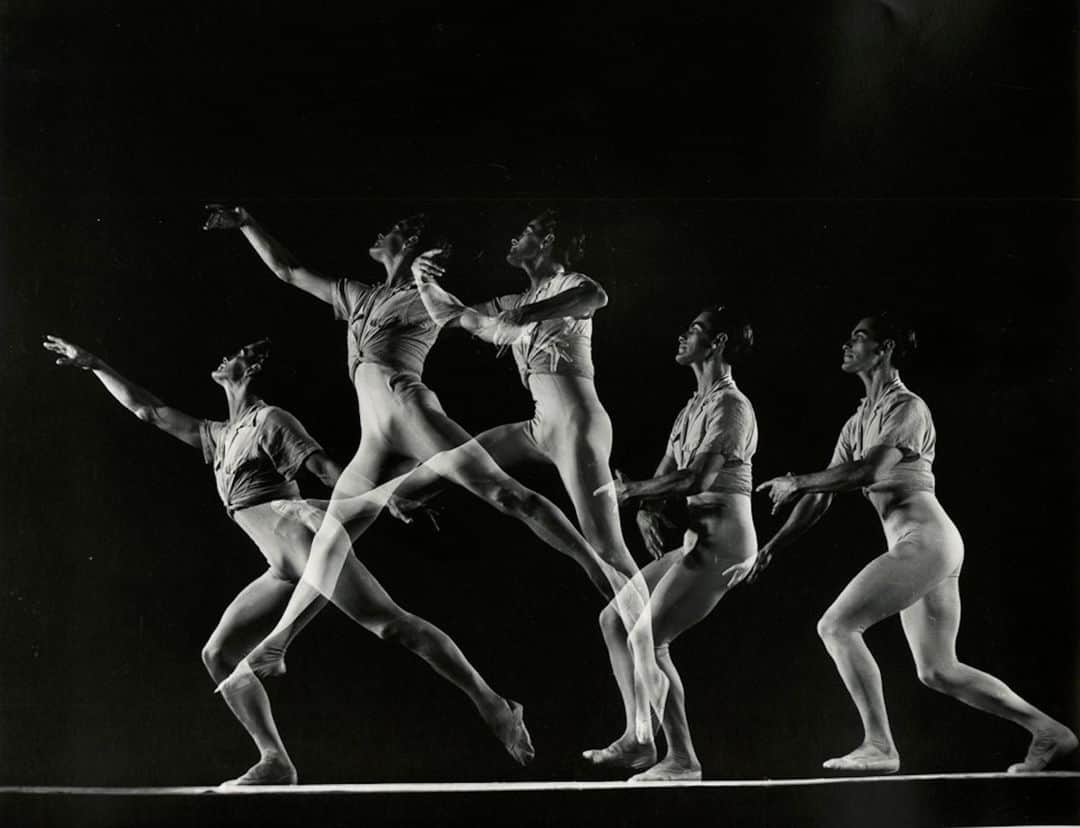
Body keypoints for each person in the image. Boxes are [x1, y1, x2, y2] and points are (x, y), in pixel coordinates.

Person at [201, 207, 651, 725]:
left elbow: (458, 315)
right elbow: (288, 272)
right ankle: (279, 643)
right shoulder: (358, 296)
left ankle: (600, 571)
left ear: (410, 238)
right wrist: (247, 222)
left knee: (506, 496)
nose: (377, 232)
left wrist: (433, 286)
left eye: (389, 227)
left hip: (408, 407)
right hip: (375, 435)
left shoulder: (417, 301)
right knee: (332, 535)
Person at [42, 334, 533, 786]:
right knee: (219, 655)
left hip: (303, 537)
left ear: (250, 366)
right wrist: (94, 365)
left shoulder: (271, 421)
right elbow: (148, 411)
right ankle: (275, 759)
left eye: (232, 353)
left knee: (393, 627)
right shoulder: (218, 434)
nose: (221, 358)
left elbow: (322, 468)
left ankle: (495, 705)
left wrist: (378, 500)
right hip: (282, 563)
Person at [752, 314, 1077, 774]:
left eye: (859, 338)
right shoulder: (859, 420)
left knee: (837, 626)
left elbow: (868, 473)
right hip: (929, 545)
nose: (847, 344)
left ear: (884, 349)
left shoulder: (907, 407)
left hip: (925, 538)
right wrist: (772, 547)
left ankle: (879, 745)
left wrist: (797, 480)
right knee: (938, 669)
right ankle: (1048, 731)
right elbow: (822, 495)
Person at [408, 210, 668, 736]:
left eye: (522, 231)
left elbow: (596, 297)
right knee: (453, 461)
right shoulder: (513, 300)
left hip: (575, 421)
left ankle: (648, 670)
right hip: (539, 424)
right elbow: (455, 316)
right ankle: (363, 501)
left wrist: (526, 317)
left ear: (547, 241)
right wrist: (421, 280)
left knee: (609, 552)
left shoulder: (571, 284)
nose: (512, 236)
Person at [567, 307, 758, 782]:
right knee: (615, 619)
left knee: (648, 637)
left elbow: (696, 477)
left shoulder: (731, 407)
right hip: (698, 540)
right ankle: (640, 738)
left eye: (693, 330)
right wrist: (648, 507)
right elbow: (666, 474)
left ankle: (683, 759)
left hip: (727, 543)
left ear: (717, 343)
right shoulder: (692, 407)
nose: (681, 335)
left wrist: (633, 494)